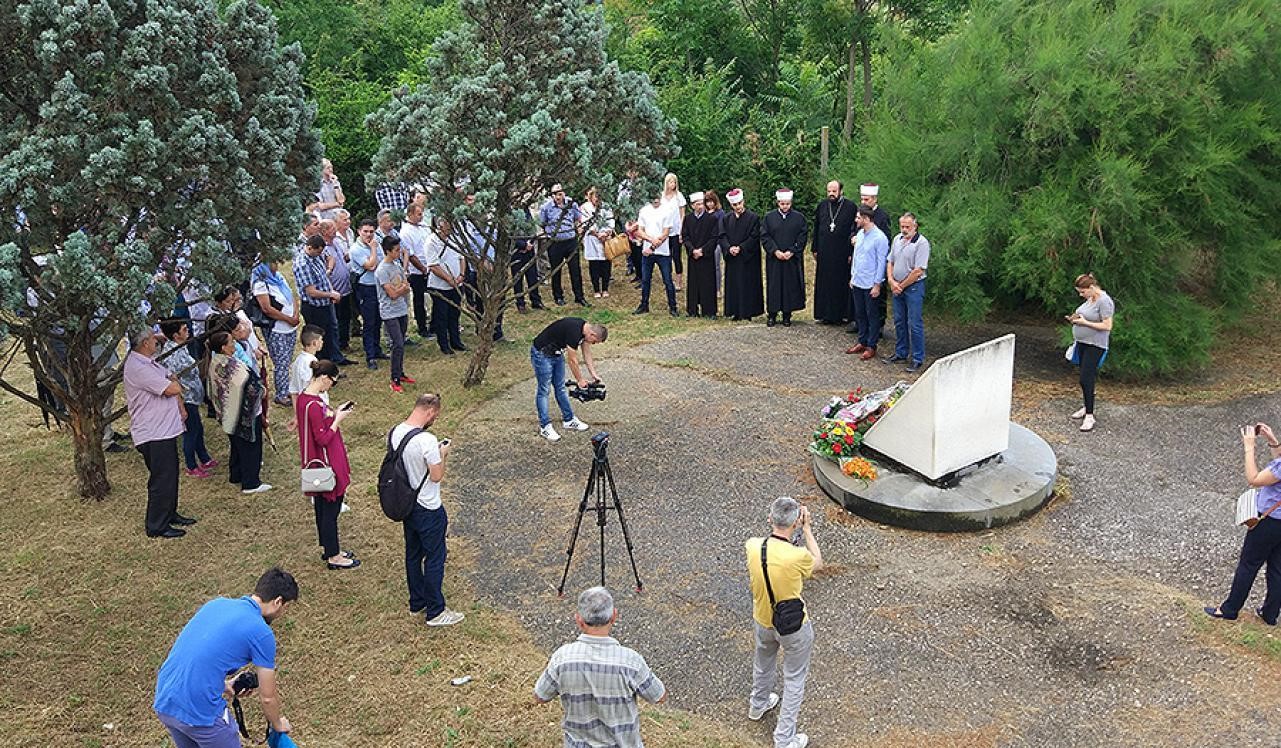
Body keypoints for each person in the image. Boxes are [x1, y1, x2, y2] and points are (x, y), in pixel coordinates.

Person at [154, 567, 298, 747]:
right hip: (199, 712)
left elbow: (195, 654)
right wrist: (278, 725)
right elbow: (267, 697)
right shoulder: (261, 632)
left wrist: (223, 685)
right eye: (285, 607)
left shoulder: (216, 604)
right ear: (278, 602)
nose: (282, 613)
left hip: (166, 699)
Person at [535, 586, 667, 746]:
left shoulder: (562, 658)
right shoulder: (631, 662)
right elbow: (659, 696)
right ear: (614, 616)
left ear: (579, 620)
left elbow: (540, 696)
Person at [746, 497, 823, 748]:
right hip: (793, 627)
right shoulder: (797, 556)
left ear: (770, 519)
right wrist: (808, 530)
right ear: (795, 523)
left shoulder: (753, 546)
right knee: (794, 679)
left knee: (763, 663)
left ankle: (757, 705)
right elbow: (818, 563)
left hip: (763, 620)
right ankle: (784, 738)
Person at [392, 393, 465, 626]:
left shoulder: (396, 432)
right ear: (430, 411)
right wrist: (442, 455)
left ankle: (417, 601)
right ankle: (436, 610)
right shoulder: (426, 441)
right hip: (429, 506)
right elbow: (436, 475)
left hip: (407, 504)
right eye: (436, 415)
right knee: (435, 557)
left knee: (413, 554)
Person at [1205, 425, 1281, 624]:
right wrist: (1273, 441)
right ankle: (1270, 615)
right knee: (1277, 569)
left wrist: (1249, 447)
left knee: (1248, 564)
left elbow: (1254, 480)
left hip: (1269, 521)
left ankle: (1229, 609)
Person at [124, 329, 193, 538]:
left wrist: (173, 382)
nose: (157, 342)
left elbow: (170, 378)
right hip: (153, 432)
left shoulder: (148, 362)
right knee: (162, 479)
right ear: (145, 343)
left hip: (163, 429)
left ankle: (169, 513)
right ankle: (156, 525)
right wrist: (175, 383)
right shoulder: (138, 368)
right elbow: (171, 388)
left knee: (170, 475)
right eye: (154, 340)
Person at [296, 360, 359, 569]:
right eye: (332, 381)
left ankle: (329, 547)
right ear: (324, 378)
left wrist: (335, 412)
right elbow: (322, 438)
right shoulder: (313, 405)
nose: (331, 385)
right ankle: (334, 556)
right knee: (331, 510)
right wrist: (338, 420)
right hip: (327, 461)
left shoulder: (305, 399)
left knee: (323, 509)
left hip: (315, 463)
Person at [207, 330, 272, 494]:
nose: (234, 344)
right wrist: (262, 391)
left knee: (237, 445)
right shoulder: (231, 366)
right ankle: (251, 483)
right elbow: (249, 386)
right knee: (250, 446)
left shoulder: (215, 362)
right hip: (244, 414)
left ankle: (236, 474)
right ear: (223, 347)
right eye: (231, 342)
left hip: (227, 414)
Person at [531, 317, 604, 442]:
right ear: (592, 334)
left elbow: (587, 354)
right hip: (542, 354)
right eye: (595, 341)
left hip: (556, 353)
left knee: (560, 387)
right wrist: (580, 380)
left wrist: (593, 374)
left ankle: (569, 419)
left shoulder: (585, 332)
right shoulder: (575, 332)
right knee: (544, 390)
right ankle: (545, 426)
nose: (593, 344)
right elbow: (572, 360)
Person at [159, 320, 215, 478]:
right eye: (184, 329)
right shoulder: (172, 355)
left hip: (194, 397)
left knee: (198, 428)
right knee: (191, 431)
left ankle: (204, 457)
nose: (188, 330)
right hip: (186, 398)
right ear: (176, 335)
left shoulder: (181, 347)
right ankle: (191, 465)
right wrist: (181, 404)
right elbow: (172, 379)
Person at [1066, 273, 1115, 433]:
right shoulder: (1090, 299)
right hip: (1082, 343)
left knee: (1085, 378)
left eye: (1083, 292)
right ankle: (1087, 405)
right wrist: (1076, 319)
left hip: (1096, 345)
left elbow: (1107, 326)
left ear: (1092, 288)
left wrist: (1084, 323)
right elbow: (1087, 315)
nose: (1081, 295)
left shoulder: (1104, 301)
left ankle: (1089, 415)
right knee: (1085, 378)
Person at [250, 261, 300, 406]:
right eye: (273, 262)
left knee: (287, 360)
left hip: (290, 326)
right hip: (277, 328)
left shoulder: (278, 277)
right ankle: (281, 394)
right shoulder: (260, 283)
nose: (277, 265)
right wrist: (288, 319)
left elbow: (291, 296)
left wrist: (295, 314)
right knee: (281, 362)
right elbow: (266, 308)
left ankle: (286, 388)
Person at [843, 206, 890, 360]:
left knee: (872, 314)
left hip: (870, 282)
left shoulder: (880, 238)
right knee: (860, 313)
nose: (856, 220)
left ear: (866, 219)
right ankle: (862, 340)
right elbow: (857, 257)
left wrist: (877, 284)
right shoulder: (860, 235)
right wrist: (853, 276)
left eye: (858, 218)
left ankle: (871, 345)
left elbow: (881, 262)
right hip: (858, 280)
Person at [887, 212, 930, 373]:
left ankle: (918, 358)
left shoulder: (921, 243)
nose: (904, 230)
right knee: (899, 320)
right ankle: (901, 352)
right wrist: (891, 280)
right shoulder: (897, 239)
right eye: (902, 226)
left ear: (915, 226)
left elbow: (918, 270)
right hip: (897, 285)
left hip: (913, 287)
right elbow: (890, 261)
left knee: (915, 323)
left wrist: (901, 285)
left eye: (907, 227)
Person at [812, 180, 858, 325]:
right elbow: (816, 227)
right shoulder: (822, 206)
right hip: (824, 252)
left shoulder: (850, 207)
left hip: (842, 253)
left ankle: (841, 315)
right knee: (824, 282)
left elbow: (854, 230)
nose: (831, 194)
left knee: (840, 282)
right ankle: (824, 314)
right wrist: (814, 248)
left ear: (841, 191)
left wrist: (852, 252)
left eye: (834, 191)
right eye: (829, 191)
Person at [294, 235, 345, 364]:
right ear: (310, 247)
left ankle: (334, 360)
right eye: (318, 251)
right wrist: (330, 295)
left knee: (330, 334)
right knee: (318, 338)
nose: (320, 255)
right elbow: (311, 292)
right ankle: (322, 366)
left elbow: (323, 278)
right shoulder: (303, 264)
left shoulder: (315, 257)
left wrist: (331, 291)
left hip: (325, 304)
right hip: (314, 307)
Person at [762, 189, 808, 328]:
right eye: (782, 204)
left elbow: (803, 236)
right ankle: (772, 315)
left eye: (787, 204)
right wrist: (774, 250)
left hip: (791, 259)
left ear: (791, 203)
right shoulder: (769, 218)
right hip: (775, 259)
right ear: (778, 203)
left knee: (790, 285)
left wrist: (792, 251)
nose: (785, 206)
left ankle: (787, 314)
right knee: (774, 285)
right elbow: (765, 236)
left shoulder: (799, 218)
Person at [377, 235, 416, 393]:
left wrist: (401, 289)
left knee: (401, 344)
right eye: (396, 250)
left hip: (401, 309)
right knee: (397, 344)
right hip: (389, 312)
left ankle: (400, 372)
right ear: (388, 251)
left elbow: (405, 283)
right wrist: (402, 290)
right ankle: (394, 378)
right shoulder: (382, 271)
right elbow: (392, 294)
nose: (399, 253)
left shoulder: (397, 265)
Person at [852, 183, 892, 337]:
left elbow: (882, 256)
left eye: (866, 199)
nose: (863, 202)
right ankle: (862, 337)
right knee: (860, 309)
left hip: (873, 272)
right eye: (862, 199)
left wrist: (878, 282)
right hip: (860, 273)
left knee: (874, 308)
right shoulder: (861, 230)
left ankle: (874, 335)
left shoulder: (882, 219)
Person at [425, 216, 467, 355]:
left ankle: (456, 341)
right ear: (440, 224)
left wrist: (461, 275)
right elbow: (433, 265)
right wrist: (449, 279)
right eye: (448, 223)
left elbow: (462, 257)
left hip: (456, 284)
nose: (450, 226)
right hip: (439, 286)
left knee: (455, 313)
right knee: (441, 315)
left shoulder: (456, 238)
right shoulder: (431, 241)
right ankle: (444, 344)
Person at [720, 188, 764, 322]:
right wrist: (729, 248)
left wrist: (741, 248)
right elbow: (722, 236)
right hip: (733, 258)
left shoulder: (753, 218)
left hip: (747, 258)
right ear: (731, 205)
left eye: (739, 203)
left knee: (747, 284)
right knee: (734, 284)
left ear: (743, 202)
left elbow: (754, 236)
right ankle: (735, 312)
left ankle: (748, 312)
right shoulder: (726, 219)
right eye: (734, 205)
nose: (738, 207)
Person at [539, 183, 586, 307]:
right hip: (555, 243)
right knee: (556, 270)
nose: (557, 197)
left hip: (570, 241)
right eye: (554, 194)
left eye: (559, 193)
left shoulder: (572, 204)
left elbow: (577, 218)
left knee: (575, 269)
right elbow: (542, 223)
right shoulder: (546, 207)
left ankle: (579, 296)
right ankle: (558, 296)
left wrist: (577, 229)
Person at [349, 217, 387, 369]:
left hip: (378, 286)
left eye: (371, 231)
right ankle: (370, 355)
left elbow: (382, 261)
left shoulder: (376, 244)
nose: (369, 235)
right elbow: (371, 265)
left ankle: (377, 349)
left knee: (378, 319)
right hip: (365, 288)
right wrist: (372, 250)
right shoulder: (356, 249)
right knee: (369, 322)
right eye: (365, 231)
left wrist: (374, 252)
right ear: (359, 232)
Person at [632, 193, 678, 317]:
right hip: (647, 252)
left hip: (663, 252)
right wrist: (651, 240)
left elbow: (666, 232)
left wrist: (654, 245)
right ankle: (644, 305)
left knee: (667, 280)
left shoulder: (666, 211)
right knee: (646, 280)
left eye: (657, 198)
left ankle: (673, 306)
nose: (656, 200)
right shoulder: (644, 211)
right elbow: (640, 231)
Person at [319, 218, 355, 357]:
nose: (335, 230)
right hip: (334, 290)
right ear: (325, 231)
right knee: (336, 319)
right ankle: (337, 346)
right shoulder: (323, 249)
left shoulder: (336, 244)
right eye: (332, 228)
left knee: (345, 317)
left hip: (345, 288)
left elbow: (344, 258)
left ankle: (344, 343)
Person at [399, 203, 434, 340]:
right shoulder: (405, 232)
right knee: (419, 300)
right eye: (418, 214)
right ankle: (422, 328)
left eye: (422, 213)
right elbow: (411, 254)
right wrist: (423, 269)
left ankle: (434, 325)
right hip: (417, 271)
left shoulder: (424, 226)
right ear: (410, 214)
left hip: (430, 266)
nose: (422, 216)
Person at [681, 191, 719, 318]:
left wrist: (702, 250)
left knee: (708, 283)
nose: (700, 206)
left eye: (702, 203)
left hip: (706, 256)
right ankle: (692, 310)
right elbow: (685, 236)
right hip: (693, 256)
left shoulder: (711, 219)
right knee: (693, 283)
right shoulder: (688, 219)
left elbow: (714, 237)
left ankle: (710, 311)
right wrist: (692, 250)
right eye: (697, 204)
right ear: (692, 206)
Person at [581, 187, 615, 299]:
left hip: (605, 239)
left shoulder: (606, 206)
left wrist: (606, 232)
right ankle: (596, 289)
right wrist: (597, 234)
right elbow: (585, 223)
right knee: (594, 265)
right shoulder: (585, 207)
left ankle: (605, 288)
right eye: (596, 196)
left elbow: (611, 220)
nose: (598, 199)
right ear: (591, 196)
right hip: (592, 238)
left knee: (606, 264)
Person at [510, 205, 544, 312]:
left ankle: (536, 301)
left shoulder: (525, 209)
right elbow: (509, 233)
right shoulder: (509, 212)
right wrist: (522, 245)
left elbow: (532, 228)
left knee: (532, 276)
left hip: (530, 249)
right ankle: (520, 303)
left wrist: (530, 243)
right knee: (517, 279)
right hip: (516, 251)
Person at [661, 173, 687, 291]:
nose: (672, 184)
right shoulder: (661, 196)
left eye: (674, 182)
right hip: (665, 231)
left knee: (676, 256)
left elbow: (682, 214)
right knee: (666, 256)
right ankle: (668, 280)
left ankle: (679, 281)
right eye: (670, 182)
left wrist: (681, 230)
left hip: (676, 231)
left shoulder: (679, 196)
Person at [289, 326, 325, 404]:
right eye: (321, 340)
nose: (322, 342)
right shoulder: (312, 362)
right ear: (314, 343)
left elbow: (293, 389)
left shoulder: (298, 360)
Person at [704, 189, 726, 298]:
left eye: (711, 201)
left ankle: (718, 289)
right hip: (705, 244)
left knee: (716, 266)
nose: (710, 204)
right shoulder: (704, 213)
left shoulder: (720, 213)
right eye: (707, 202)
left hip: (717, 243)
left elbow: (721, 229)